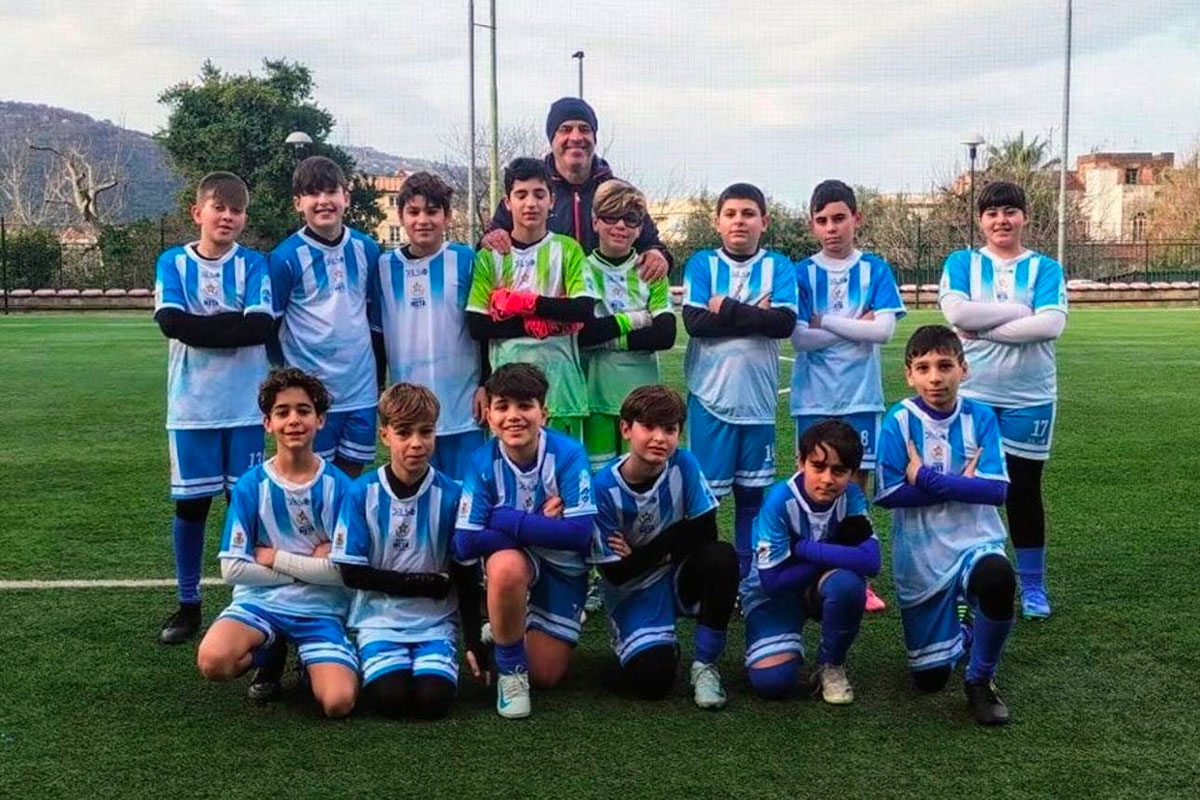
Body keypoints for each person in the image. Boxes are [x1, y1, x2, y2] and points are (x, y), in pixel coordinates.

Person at [152, 171, 274, 645]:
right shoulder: (173, 262)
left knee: (244, 506)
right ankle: (189, 604)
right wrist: (229, 322)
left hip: (245, 408)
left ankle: (248, 602)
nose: (227, 217)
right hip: (191, 409)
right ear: (197, 212)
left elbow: (259, 327)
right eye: (218, 208)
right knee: (191, 506)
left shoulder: (254, 264)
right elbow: (172, 323)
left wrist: (200, 326)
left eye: (236, 210)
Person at [195, 368, 359, 718]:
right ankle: (270, 651)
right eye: (282, 412)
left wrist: (276, 558)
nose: (294, 420)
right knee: (214, 662)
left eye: (304, 411)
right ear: (268, 423)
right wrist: (311, 567)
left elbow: (344, 573)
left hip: (320, 608)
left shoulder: (342, 488)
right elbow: (232, 569)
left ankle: (311, 658)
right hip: (261, 602)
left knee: (338, 703)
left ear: (320, 420)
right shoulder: (250, 486)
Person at [875, 325, 1017, 726]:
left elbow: (996, 492)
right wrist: (961, 485)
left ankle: (980, 680)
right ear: (909, 375)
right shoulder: (899, 421)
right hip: (921, 557)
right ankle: (964, 629)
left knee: (997, 576)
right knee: (930, 680)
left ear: (963, 369)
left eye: (945, 366)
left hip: (976, 542)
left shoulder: (981, 416)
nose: (935, 377)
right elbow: (887, 493)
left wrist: (925, 478)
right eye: (923, 368)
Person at [938, 180, 1067, 619]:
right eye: (992, 213)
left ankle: (1032, 586)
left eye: (1010, 211)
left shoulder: (1045, 268)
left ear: (1024, 217)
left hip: (1030, 396)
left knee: (1024, 491)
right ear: (981, 220)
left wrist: (980, 329)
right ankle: (963, 579)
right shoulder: (962, 262)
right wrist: (1018, 312)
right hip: (972, 394)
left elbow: (1049, 325)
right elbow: (957, 313)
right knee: (966, 486)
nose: (1001, 220)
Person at [330, 383, 487, 720]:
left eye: (425, 432)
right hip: (378, 620)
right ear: (385, 435)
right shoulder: (361, 493)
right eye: (404, 433)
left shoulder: (453, 494)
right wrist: (422, 584)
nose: (416, 443)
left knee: (433, 702)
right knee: (391, 700)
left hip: (435, 622)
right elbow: (351, 572)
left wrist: (473, 641)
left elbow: (466, 572)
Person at [453, 364, 597, 719]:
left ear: (543, 413)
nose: (513, 416)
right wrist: (539, 526)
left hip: (562, 568)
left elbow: (580, 534)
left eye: (525, 406)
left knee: (546, 675)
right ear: (489, 416)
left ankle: (511, 623)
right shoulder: (481, 462)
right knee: (505, 566)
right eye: (502, 406)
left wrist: (504, 518)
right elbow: (464, 543)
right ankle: (510, 671)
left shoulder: (569, 454)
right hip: (518, 561)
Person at [791, 179, 906, 614]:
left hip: (861, 398)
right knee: (812, 485)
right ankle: (810, 573)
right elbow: (799, 338)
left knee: (854, 487)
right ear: (812, 225)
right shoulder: (800, 273)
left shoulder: (875, 269)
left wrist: (824, 320)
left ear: (856, 218)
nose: (831, 228)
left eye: (839, 218)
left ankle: (856, 576)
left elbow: (884, 331)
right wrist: (856, 325)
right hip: (813, 399)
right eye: (822, 221)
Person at [590, 386, 737, 708]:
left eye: (670, 430)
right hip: (634, 590)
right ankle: (658, 644)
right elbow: (615, 573)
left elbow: (707, 532)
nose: (660, 438)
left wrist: (645, 552)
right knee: (653, 683)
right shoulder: (602, 489)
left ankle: (705, 665)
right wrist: (681, 533)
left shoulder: (683, 464)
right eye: (649, 427)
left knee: (722, 557)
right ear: (626, 429)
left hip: (677, 574)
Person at [681, 182, 798, 579]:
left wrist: (726, 307)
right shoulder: (702, 264)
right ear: (717, 222)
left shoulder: (779, 266)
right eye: (730, 214)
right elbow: (695, 323)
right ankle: (709, 580)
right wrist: (755, 315)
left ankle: (748, 580)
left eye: (748, 214)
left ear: (764, 221)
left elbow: (783, 323)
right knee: (706, 501)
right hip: (710, 400)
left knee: (752, 497)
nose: (739, 221)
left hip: (758, 403)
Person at [740, 420, 879, 704]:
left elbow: (871, 561)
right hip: (775, 593)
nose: (827, 479)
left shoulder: (852, 496)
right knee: (772, 684)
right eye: (818, 466)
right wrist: (837, 552)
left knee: (847, 586)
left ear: (852, 473)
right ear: (800, 462)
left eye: (839, 471)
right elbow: (772, 581)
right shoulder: (779, 501)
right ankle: (777, 640)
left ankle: (831, 665)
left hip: (816, 581)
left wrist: (805, 548)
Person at [465, 157, 598, 441]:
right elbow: (478, 325)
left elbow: (583, 309)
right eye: (521, 194)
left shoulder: (568, 249)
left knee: (562, 469)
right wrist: (540, 321)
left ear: (551, 200)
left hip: (561, 393)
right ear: (507, 202)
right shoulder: (489, 256)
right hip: (506, 398)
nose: (530, 203)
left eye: (539, 194)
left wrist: (521, 305)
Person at [270, 156, 382, 478]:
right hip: (310, 392)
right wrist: (288, 377)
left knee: (350, 477)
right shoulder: (284, 257)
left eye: (331, 192)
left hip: (359, 389)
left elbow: (374, 320)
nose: (323, 201)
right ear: (298, 203)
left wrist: (379, 379)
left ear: (346, 197)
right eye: (313, 193)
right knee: (311, 477)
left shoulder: (366, 248)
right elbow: (271, 328)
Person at [480, 97, 671, 282]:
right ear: (552, 139)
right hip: (545, 300)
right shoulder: (530, 191)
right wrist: (491, 240)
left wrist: (656, 254)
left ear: (594, 138)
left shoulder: (619, 193)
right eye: (565, 129)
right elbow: (489, 244)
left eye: (584, 129)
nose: (576, 137)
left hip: (605, 300)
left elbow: (652, 244)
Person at [373, 171, 486, 481]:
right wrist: (380, 387)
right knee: (418, 493)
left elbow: (483, 328)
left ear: (447, 216)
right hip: (410, 414)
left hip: (464, 409)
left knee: (467, 495)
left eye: (432, 211)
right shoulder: (383, 267)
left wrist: (485, 384)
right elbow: (377, 334)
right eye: (413, 212)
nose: (423, 220)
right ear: (401, 216)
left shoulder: (465, 260)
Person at [578, 179, 676, 471]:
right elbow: (583, 335)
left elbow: (665, 335)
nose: (620, 225)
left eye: (630, 219)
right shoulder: (580, 268)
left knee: (642, 479)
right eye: (611, 217)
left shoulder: (652, 270)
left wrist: (607, 335)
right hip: (594, 400)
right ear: (595, 222)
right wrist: (637, 319)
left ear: (640, 227)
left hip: (643, 404)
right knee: (601, 482)